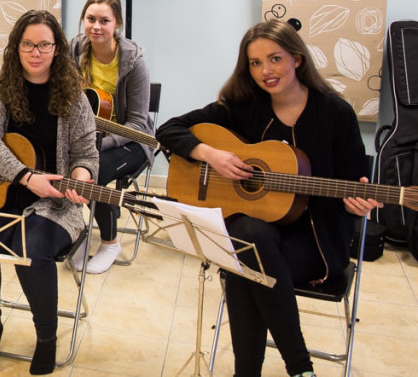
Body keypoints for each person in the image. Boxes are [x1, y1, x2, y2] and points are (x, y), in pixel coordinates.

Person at [155, 20, 382, 377]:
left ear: (297, 59)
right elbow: (168, 129)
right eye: (255, 63)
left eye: (274, 59)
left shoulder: (335, 113)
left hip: (316, 240)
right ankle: (299, 369)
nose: (265, 71)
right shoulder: (245, 107)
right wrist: (212, 155)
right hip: (259, 235)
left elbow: (352, 184)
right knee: (250, 239)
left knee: (243, 266)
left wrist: (356, 202)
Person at [0, 10, 98, 375]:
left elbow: (87, 153)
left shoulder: (73, 94)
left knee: (33, 248)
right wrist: (25, 176)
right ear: (16, 47)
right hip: (2, 194)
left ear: (57, 49)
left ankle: (46, 337)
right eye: (28, 44)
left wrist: (82, 174)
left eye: (44, 44)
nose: (35, 52)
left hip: (54, 204)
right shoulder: (0, 85)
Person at [68, 0, 153, 274]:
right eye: (91, 19)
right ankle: (75, 232)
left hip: (130, 140)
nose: (96, 26)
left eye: (104, 21)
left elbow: (139, 124)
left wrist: (100, 145)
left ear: (116, 24)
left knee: (93, 171)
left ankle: (109, 242)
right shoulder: (75, 51)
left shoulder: (134, 62)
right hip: (86, 136)